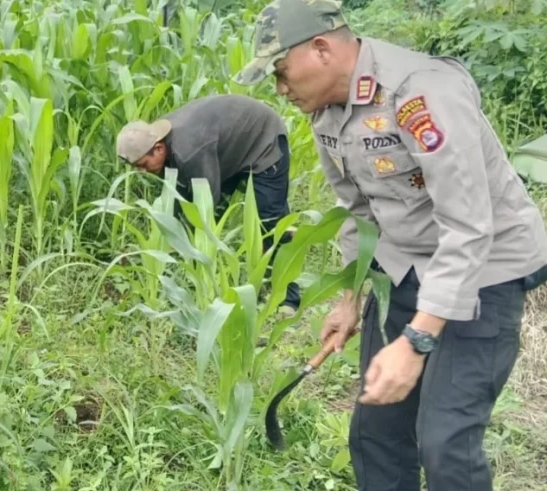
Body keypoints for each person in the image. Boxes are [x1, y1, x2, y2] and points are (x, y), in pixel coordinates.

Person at [234, 1, 547, 490]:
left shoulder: (420, 93)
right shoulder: (326, 113)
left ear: (320, 49)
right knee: (375, 431)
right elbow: (358, 211)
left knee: (445, 443)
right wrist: (350, 296)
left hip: (485, 270)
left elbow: (467, 227)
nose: (279, 88)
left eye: (280, 71)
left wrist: (417, 341)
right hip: (404, 267)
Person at [115, 94, 302, 311]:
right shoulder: (163, 142)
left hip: (263, 138)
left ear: (158, 148)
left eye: (143, 165)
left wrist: (188, 239)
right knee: (198, 222)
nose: (143, 171)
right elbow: (179, 197)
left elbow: (206, 205)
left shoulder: (189, 151)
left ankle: (288, 298)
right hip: (228, 148)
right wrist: (167, 237)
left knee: (270, 221)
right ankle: (221, 281)